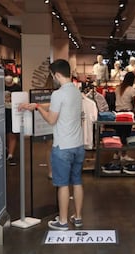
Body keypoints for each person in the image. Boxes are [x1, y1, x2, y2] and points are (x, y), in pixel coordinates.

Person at [18, 59, 85, 231]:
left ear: (56, 75)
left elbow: (51, 119)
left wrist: (39, 110)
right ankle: (77, 217)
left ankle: (62, 221)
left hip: (62, 147)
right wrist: (38, 105)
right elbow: (60, 105)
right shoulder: (77, 92)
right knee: (77, 182)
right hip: (78, 145)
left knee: (63, 185)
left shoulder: (58, 94)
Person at [113, 71, 135, 161]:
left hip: (118, 113)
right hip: (127, 114)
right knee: (126, 135)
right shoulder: (131, 89)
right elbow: (133, 102)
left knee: (118, 134)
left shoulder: (118, 88)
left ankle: (115, 153)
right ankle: (124, 154)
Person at [4, 70, 22, 166]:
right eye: (6, 75)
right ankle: (7, 151)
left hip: (13, 113)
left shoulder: (17, 88)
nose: (8, 77)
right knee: (5, 133)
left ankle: (11, 155)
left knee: (12, 134)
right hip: (2, 113)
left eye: (10, 75)